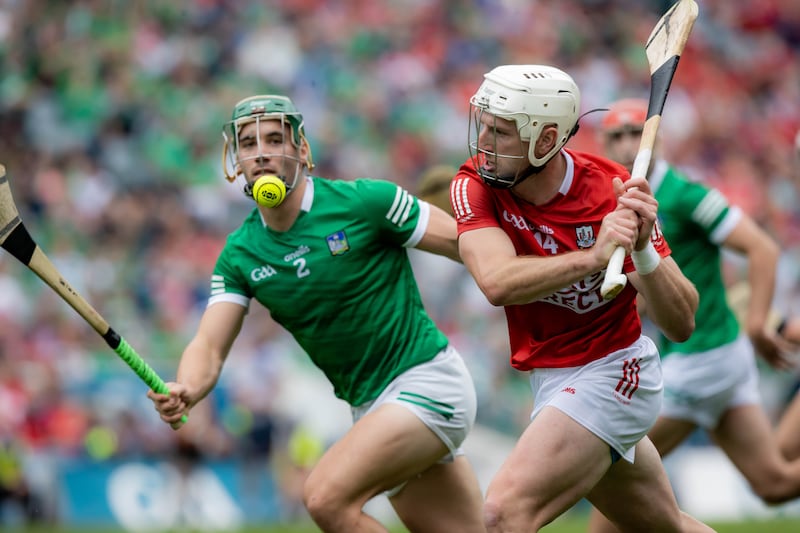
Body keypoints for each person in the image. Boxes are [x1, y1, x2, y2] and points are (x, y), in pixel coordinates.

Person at [146, 94, 485, 533]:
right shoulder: (239, 255)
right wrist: (187, 386)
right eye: (248, 143)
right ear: (236, 161)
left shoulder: (366, 202)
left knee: (325, 499)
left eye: (273, 139)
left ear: (302, 150)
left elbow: (473, 247)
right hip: (371, 406)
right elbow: (209, 344)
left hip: (428, 381)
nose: (262, 152)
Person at [451, 64, 710, 532]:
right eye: (484, 124)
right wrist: (593, 257)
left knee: (501, 515)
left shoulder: (610, 192)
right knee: (665, 527)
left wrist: (643, 249)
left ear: (545, 140)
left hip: (615, 373)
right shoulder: (473, 183)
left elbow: (682, 322)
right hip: (552, 379)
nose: (484, 141)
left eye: (501, 132)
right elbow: (496, 282)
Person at [587, 97, 800, 533]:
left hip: (705, 357)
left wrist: (757, 322)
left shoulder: (684, 195)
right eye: (617, 136)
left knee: (610, 468)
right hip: (708, 356)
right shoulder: (619, 201)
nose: (628, 144)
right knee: (773, 483)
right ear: (603, 144)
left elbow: (761, 248)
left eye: (635, 134)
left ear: (655, 141)